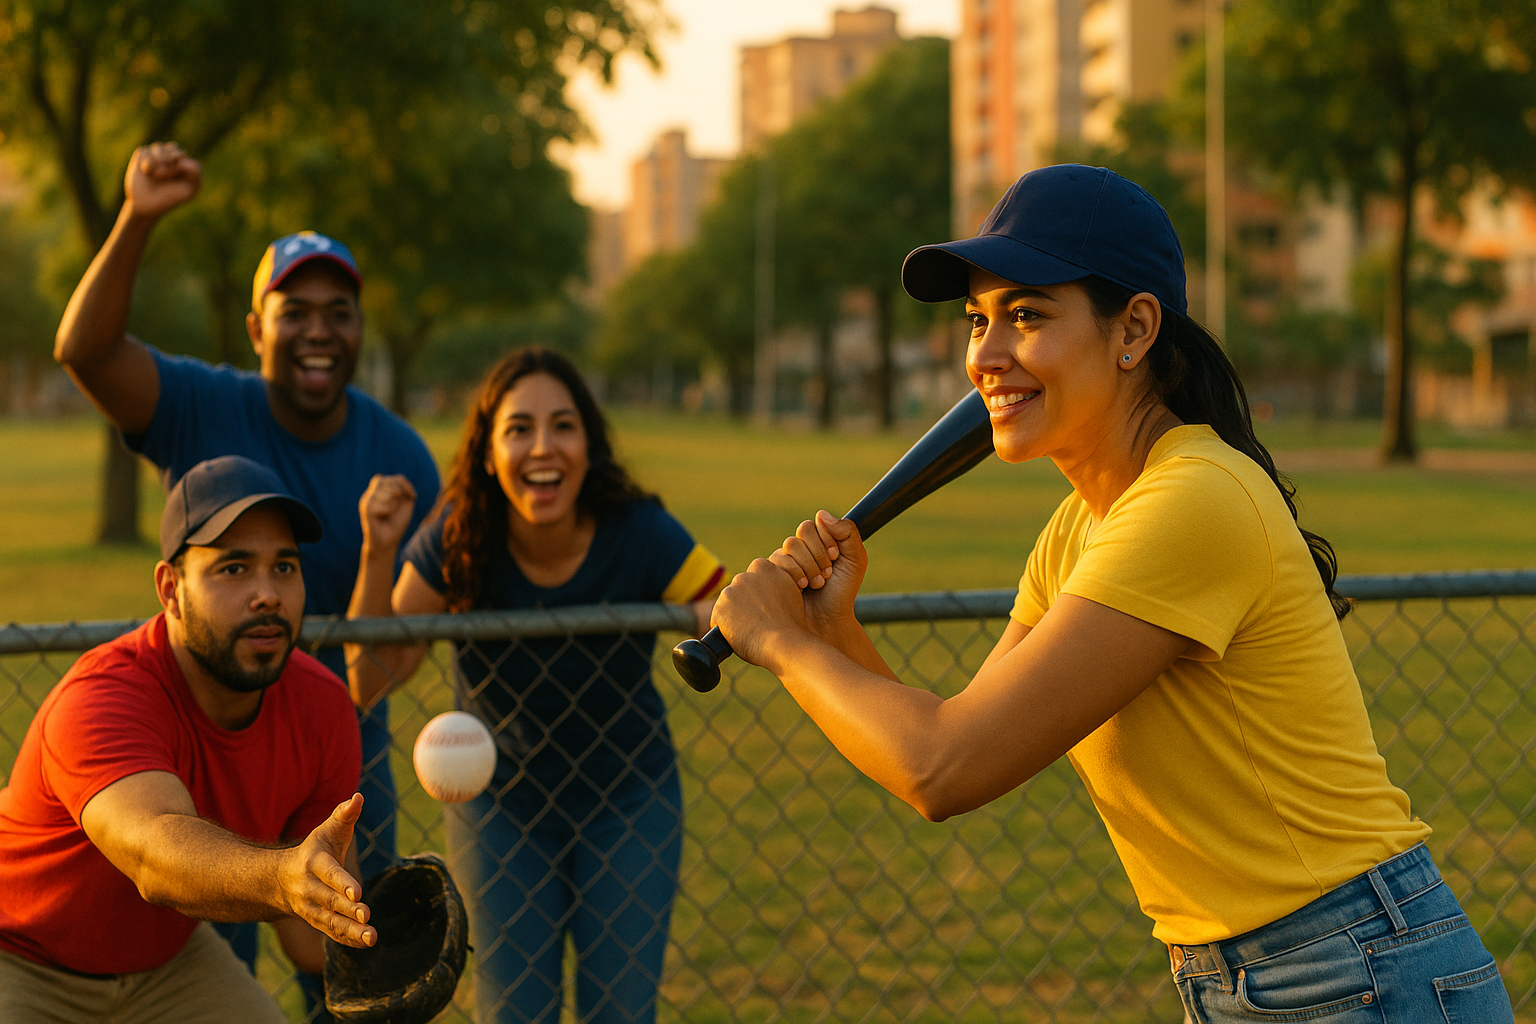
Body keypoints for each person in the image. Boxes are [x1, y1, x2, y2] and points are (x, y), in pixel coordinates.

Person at [710, 165, 1516, 1022]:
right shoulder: (1079, 526)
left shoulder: (1194, 499)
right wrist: (835, 632)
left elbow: (942, 764)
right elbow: (967, 730)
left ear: (1133, 328)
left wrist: (780, 643)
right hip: (1259, 972)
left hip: (1354, 964)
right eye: (978, 321)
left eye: (1027, 315)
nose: (985, 354)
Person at [52, 142, 440, 983]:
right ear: (258, 325)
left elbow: (391, 654)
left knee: (346, 972)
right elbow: (84, 351)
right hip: (199, 749)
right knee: (206, 964)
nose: (318, 328)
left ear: (359, 330)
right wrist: (139, 217)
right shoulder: (203, 403)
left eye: (339, 310)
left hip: (335, 754)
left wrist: (377, 551)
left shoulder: (399, 453)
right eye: (293, 309)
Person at [346, 348, 725, 1024]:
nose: (542, 447)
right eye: (518, 428)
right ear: (489, 453)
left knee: (621, 1013)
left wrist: (726, 614)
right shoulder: (459, 535)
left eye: (563, 425)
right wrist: (378, 550)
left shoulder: (636, 528)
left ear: (589, 444)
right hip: (501, 812)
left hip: (628, 798)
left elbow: (723, 602)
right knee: (516, 1014)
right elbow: (373, 676)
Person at [0, 456, 375, 1023]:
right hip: (22, 955)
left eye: (285, 568)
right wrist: (283, 877)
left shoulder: (322, 708)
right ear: (170, 590)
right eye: (234, 569)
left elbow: (305, 939)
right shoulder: (104, 696)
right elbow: (156, 855)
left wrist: (374, 935)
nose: (267, 594)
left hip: (166, 967)